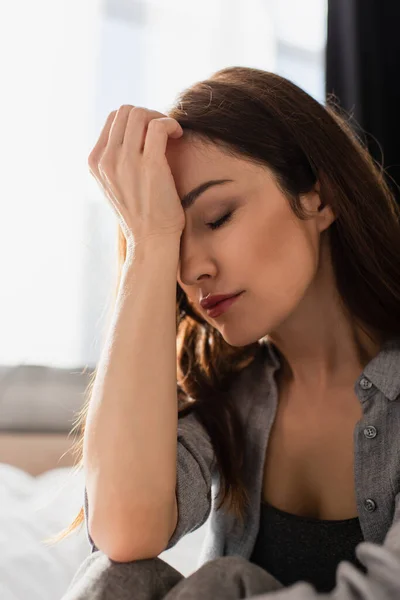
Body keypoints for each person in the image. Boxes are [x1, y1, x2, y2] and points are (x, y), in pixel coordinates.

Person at [59, 66, 400, 599]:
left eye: (216, 218)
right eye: (175, 241)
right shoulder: (230, 397)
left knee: (222, 582)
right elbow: (124, 533)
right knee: (116, 576)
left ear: (318, 197)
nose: (191, 267)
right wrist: (146, 244)